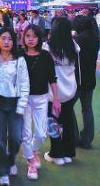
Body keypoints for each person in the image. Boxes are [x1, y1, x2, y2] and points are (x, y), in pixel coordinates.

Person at [0, 27, 30, 186]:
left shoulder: (20, 60)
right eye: (3, 38)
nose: (6, 42)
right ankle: (2, 171)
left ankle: (11, 160)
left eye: (10, 39)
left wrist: (22, 105)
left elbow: (25, 84)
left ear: (14, 41)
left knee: (16, 138)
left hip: (15, 102)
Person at [21, 24, 60, 180]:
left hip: (42, 98)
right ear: (23, 37)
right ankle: (31, 162)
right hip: (23, 99)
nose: (30, 39)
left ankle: (33, 151)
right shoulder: (19, 55)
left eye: (34, 36)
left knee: (41, 134)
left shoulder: (45, 55)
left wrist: (56, 99)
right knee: (25, 134)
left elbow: (53, 79)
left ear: (39, 38)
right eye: (28, 36)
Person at [44, 17, 80, 166]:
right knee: (67, 122)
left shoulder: (47, 47)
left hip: (54, 94)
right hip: (70, 91)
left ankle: (56, 154)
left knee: (53, 123)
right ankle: (68, 153)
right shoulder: (74, 46)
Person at [72, 16, 100, 149]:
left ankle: (74, 136)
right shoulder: (95, 38)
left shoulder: (79, 40)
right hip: (90, 78)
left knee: (68, 107)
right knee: (87, 108)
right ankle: (87, 139)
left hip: (78, 79)